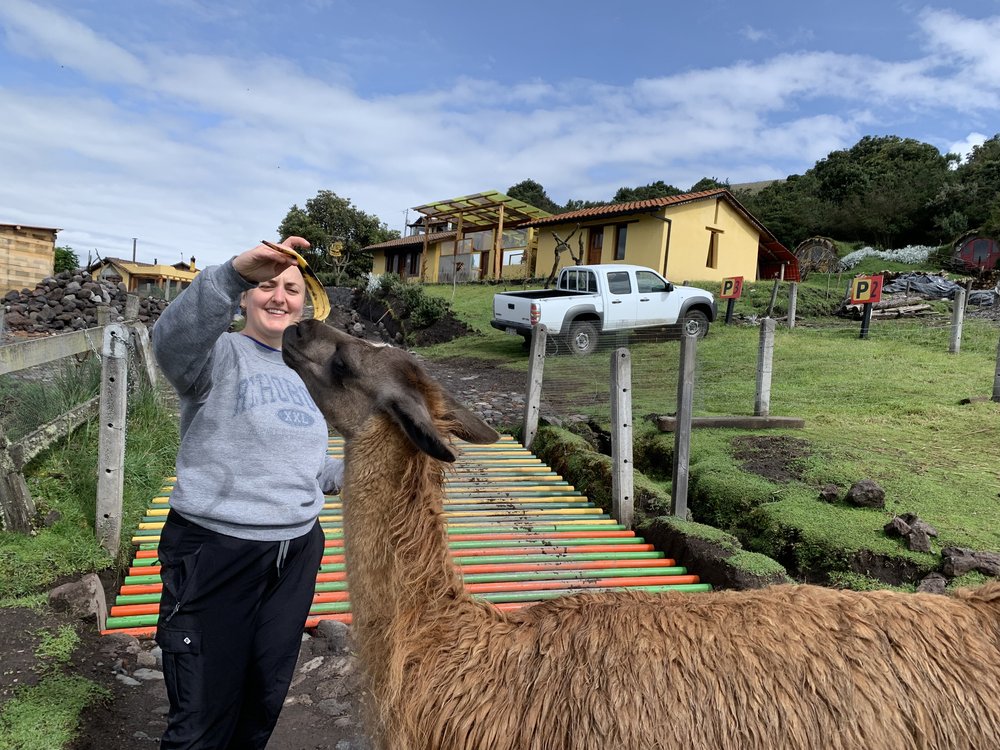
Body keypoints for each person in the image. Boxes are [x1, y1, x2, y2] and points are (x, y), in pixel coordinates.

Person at [150, 236, 342, 749]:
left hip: (296, 553)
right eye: (266, 286)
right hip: (217, 549)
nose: (279, 297)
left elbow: (309, 463)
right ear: (244, 297)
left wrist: (368, 471)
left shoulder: (311, 375)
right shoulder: (215, 355)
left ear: (305, 303)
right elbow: (167, 340)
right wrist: (235, 271)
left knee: (261, 701)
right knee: (201, 715)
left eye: (292, 288)